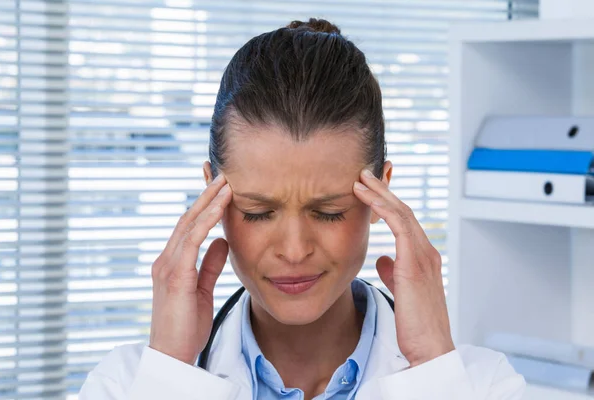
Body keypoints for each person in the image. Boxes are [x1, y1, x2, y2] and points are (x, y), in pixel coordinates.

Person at [78, 18, 526, 400]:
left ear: (382, 197)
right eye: (257, 211)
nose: (294, 251)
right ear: (212, 194)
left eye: (329, 211)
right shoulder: (127, 384)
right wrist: (172, 370)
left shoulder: (482, 385)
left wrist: (430, 363)